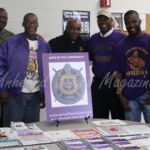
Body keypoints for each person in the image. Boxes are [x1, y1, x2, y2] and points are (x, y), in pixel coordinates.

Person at [0, 13, 51, 127]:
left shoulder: (44, 45)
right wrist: (2, 88)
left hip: (36, 96)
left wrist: (46, 94)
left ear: (37, 24)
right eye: (28, 22)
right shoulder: (11, 42)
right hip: (14, 95)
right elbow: (0, 65)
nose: (31, 25)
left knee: (31, 132)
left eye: (34, 22)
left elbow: (49, 71)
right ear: (23, 24)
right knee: (11, 131)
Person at [109, 10, 150, 123]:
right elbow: (117, 73)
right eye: (127, 22)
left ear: (140, 21)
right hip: (129, 96)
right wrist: (120, 96)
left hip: (147, 93)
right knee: (133, 131)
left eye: (134, 21)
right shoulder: (120, 46)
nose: (131, 25)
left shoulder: (148, 40)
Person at [88, 10, 126, 119]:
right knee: (98, 119)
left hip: (116, 84)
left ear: (112, 21)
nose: (103, 22)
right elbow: (89, 61)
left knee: (119, 119)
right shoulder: (93, 39)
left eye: (105, 19)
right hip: (98, 84)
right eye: (100, 20)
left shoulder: (121, 38)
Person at [0, 8, 14, 127]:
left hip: (5, 84)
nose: (2, 20)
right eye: (0, 17)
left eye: (4, 18)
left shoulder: (11, 37)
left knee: (5, 122)